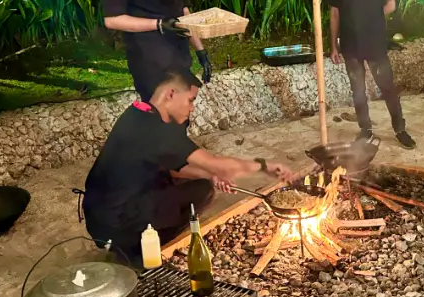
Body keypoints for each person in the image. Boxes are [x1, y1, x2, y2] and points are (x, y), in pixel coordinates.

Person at [82, 66, 295, 268]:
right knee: (201, 193)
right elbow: (218, 165)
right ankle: (137, 252)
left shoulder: (141, 115)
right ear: (171, 94)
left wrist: (211, 176)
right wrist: (263, 166)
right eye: (190, 100)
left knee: (202, 182)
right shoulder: (155, 132)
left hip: (102, 215)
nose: (192, 108)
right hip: (115, 220)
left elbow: (175, 168)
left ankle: (132, 243)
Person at [326, 0, 416, 149]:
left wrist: (373, 21)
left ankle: (400, 128)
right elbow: (334, 13)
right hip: (349, 43)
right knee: (357, 88)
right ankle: (365, 129)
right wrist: (334, 45)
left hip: (374, 41)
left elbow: (392, 4)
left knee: (387, 86)